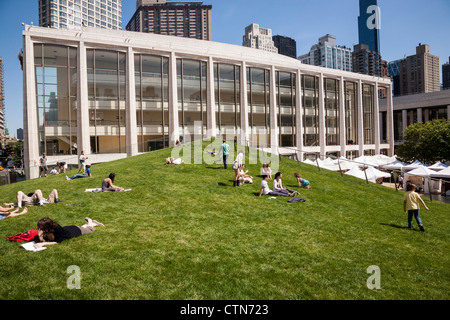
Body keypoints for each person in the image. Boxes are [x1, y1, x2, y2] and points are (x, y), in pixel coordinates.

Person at [33, 216, 104, 249]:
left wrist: (44, 244)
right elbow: (43, 240)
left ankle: (90, 221)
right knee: (83, 227)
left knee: (90, 229)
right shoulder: (45, 230)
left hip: (75, 231)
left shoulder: (57, 229)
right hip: (68, 228)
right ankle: (93, 222)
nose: (39, 229)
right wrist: (40, 236)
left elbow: (58, 242)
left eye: (40, 228)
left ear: (46, 227)